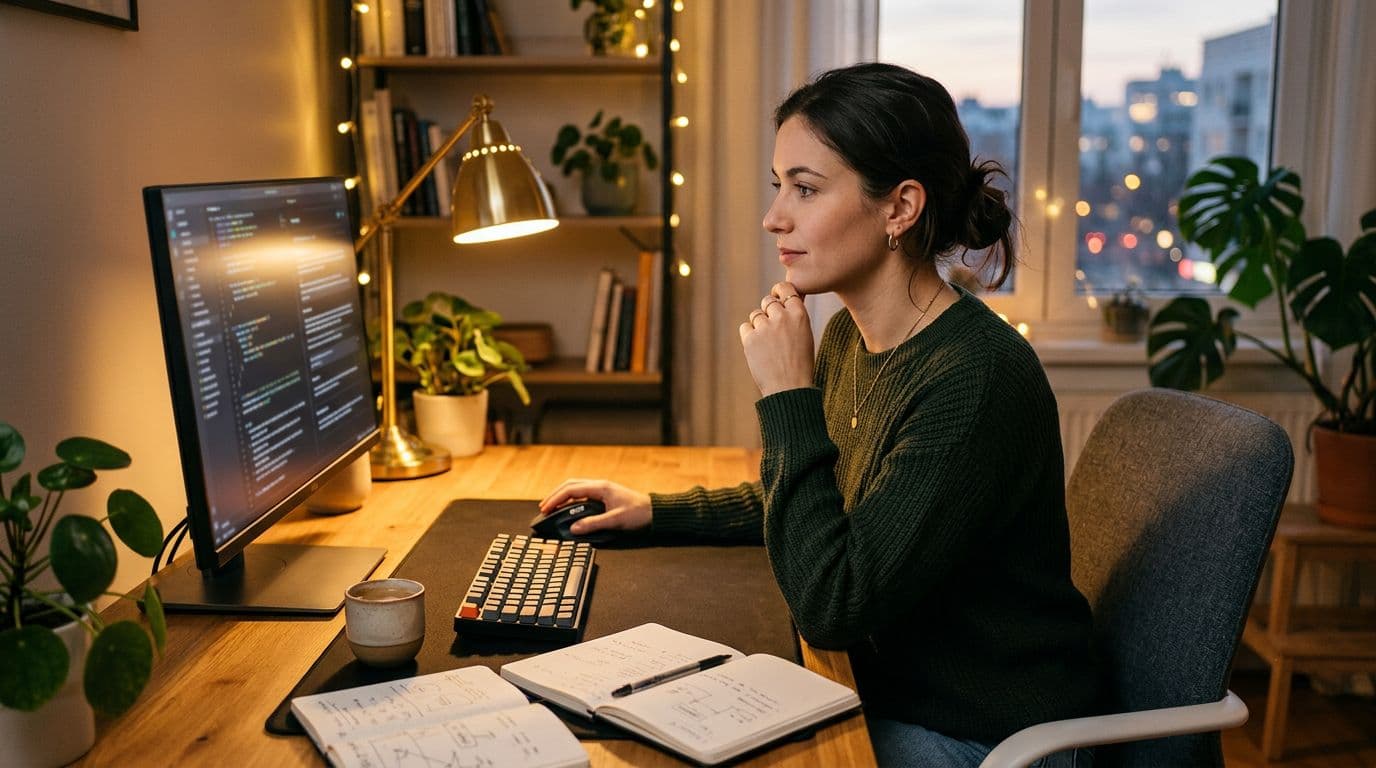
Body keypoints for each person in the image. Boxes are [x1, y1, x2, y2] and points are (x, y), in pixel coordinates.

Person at [539, 62, 1098, 767]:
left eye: (804, 188)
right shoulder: (849, 336)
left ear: (900, 208)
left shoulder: (976, 378)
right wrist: (657, 508)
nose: (775, 216)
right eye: (780, 186)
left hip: (987, 736)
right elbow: (830, 502)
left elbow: (832, 602)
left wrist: (787, 398)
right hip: (893, 690)